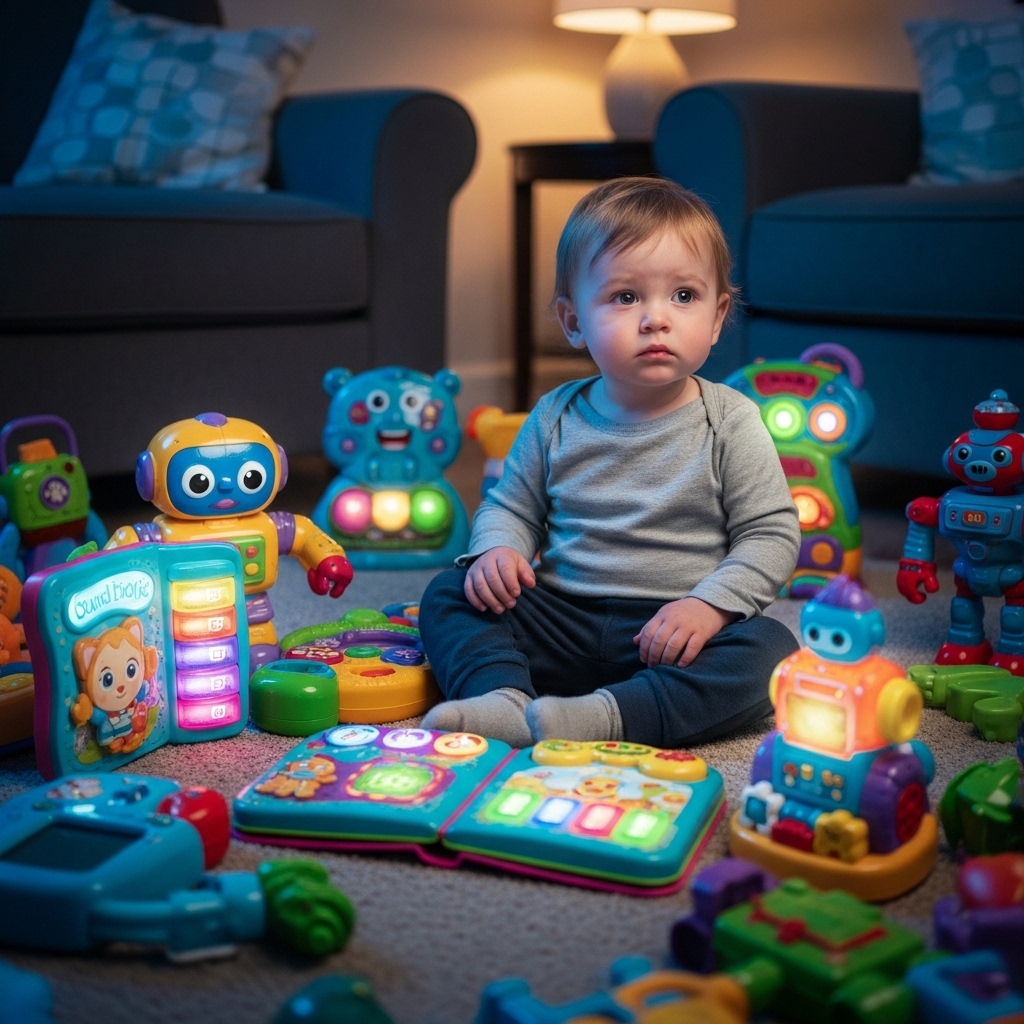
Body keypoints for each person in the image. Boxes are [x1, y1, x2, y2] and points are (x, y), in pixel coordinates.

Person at [419, 176, 800, 748]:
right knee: (451, 593)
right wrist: (499, 550)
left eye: (684, 296)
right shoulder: (553, 416)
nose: (656, 319)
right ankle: (501, 697)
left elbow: (769, 534)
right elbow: (512, 507)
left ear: (718, 317)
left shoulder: (733, 420)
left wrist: (709, 607)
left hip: (674, 635)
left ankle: (610, 717)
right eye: (626, 297)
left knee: (772, 652)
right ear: (573, 321)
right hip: (561, 619)